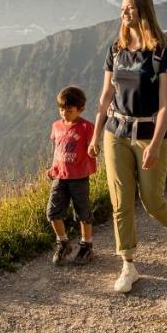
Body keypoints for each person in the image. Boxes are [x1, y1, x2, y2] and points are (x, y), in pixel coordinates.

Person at [88, 0, 167, 293]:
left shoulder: (162, 52)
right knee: (120, 202)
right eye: (122, 8)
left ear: (143, 10)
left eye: (129, 8)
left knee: (151, 201)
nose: (124, 13)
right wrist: (96, 132)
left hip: (148, 134)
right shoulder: (116, 49)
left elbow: (166, 105)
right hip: (115, 133)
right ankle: (128, 265)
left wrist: (156, 144)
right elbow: (107, 95)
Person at [46, 85, 97, 265]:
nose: (64, 113)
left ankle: (86, 246)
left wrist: (94, 150)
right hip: (60, 177)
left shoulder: (86, 127)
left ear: (80, 109)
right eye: (61, 109)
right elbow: (57, 148)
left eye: (69, 110)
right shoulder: (56, 125)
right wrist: (53, 168)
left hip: (79, 177)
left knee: (82, 213)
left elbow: (93, 147)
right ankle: (63, 243)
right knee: (53, 212)